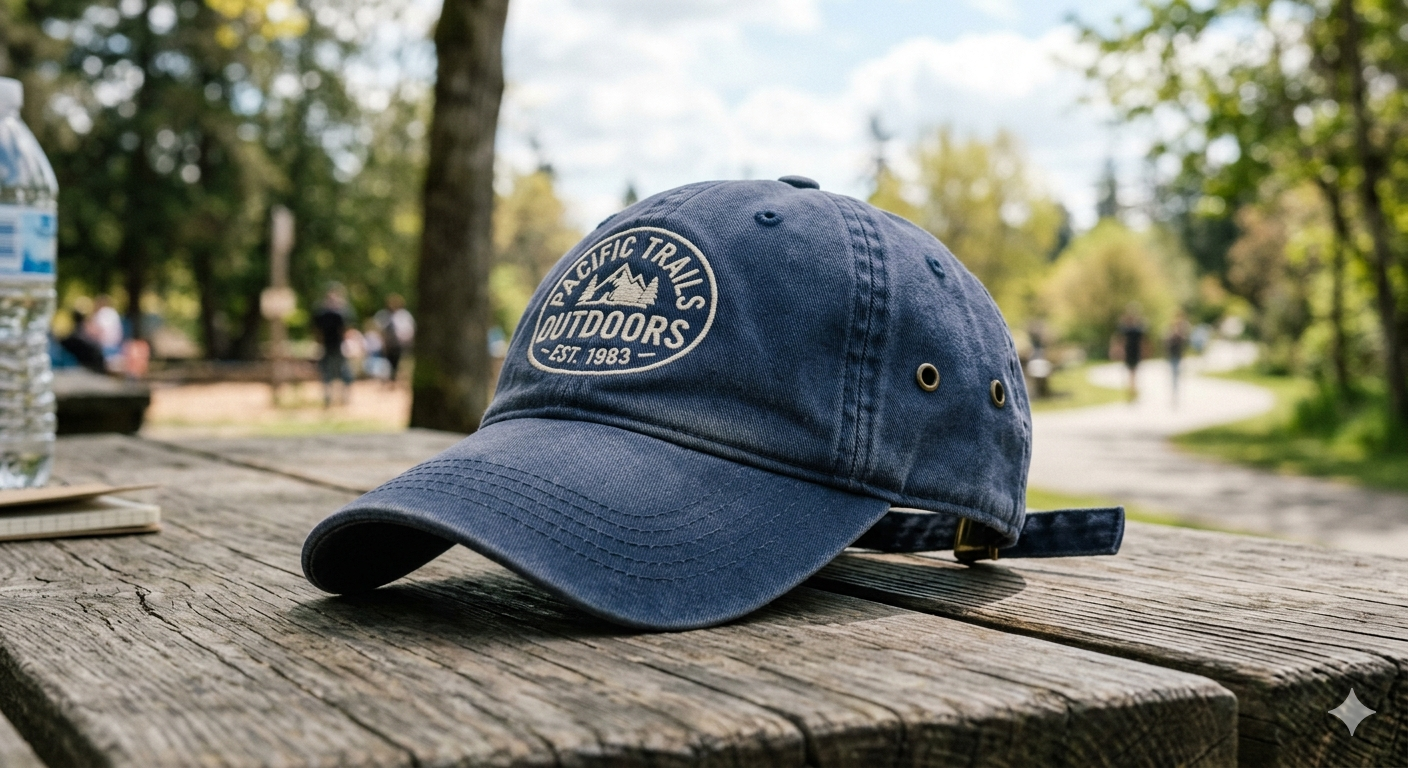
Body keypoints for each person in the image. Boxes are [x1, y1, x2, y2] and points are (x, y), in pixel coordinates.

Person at [312, 284, 355, 407]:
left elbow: (316, 331)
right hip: (335, 346)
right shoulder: (340, 313)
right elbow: (346, 330)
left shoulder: (321, 312)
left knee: (330, 373)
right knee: (340, 372)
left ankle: (334, 397)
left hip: (331, 346)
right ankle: (338, 397)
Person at [374, 294, 415, 387]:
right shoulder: (383, 315)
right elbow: (379, 330)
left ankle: (394, 380)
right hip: (387, 344)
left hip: (399, 344)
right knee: (386, 363)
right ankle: (387, 380)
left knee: (397, 363)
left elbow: (409, 330)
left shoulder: (404, 316)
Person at [1111, 303, 1145, 402]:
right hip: (1128, 353)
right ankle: (1132, 391)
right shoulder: (1125, 329)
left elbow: (1143, 341)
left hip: (1135, 352)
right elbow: (1119, 340)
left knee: (1133, 373)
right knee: (1131, 373)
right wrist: (1118, 351)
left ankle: (1132, 391)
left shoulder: (1138, 329)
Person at [1166, 311, 1191, 407]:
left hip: (1179, 357)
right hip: (1173, 357)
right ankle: (1174, 395)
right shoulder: (1170, 334)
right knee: (1174, 376)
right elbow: (1167, 345)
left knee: (1177, 375)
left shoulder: (1182, 334)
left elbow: (1185, 344)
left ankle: (1176, 394)